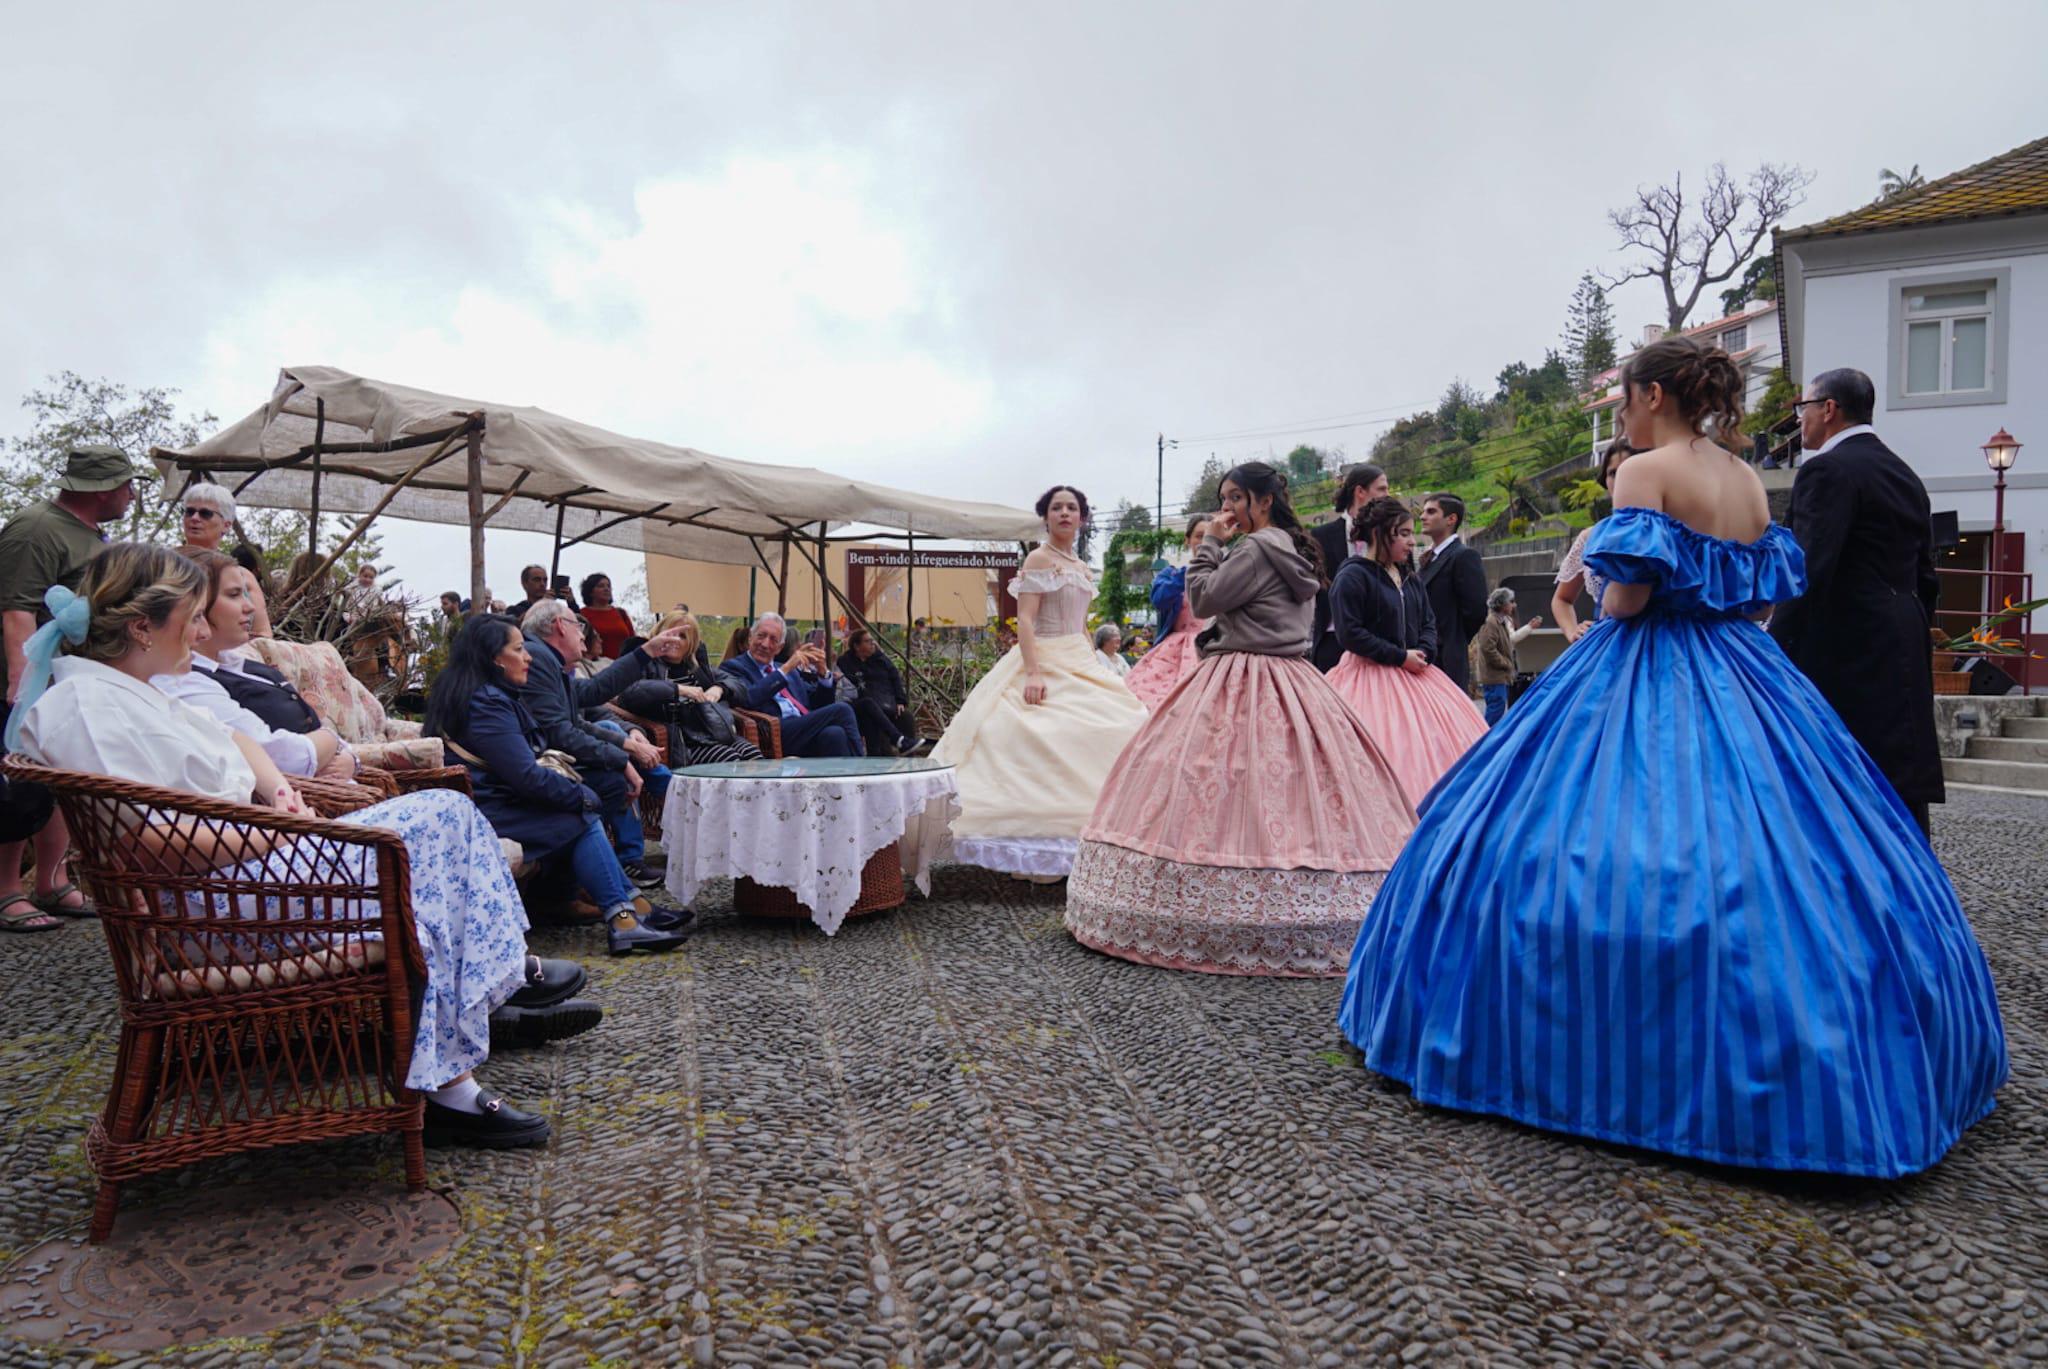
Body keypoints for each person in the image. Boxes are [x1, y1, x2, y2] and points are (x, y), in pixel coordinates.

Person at [1339, 335, 2007, 1178]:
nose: (1619, 409)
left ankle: (1573, 1048)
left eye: (1625, 395)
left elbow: (1627, 594)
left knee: (1560, 829)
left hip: (1646, 660)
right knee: (1783, 841)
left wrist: (1605, 608)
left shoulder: (1643, 471)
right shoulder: (1743, 479)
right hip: (1745, 666)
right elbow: (1763, 595)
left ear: (1655, 396)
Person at [11, 545, 607, 1148]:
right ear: (141, 626)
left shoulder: (139, 689)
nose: (199, 629)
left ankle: (480, 1009)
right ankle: (476, 1025)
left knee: (445, 820)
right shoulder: (87, 707)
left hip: (259, 868)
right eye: (191, 615)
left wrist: (276, 792)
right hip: (211, 907)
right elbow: (144, 840)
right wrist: (282, 834)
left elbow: (235, 743)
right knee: (440, 819)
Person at [1066, 462, 1414, 975]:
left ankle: (1218, 912)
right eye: (1223, 499)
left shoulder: (1254, 549)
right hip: (1295, 677)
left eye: (1234, 499)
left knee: (1214, 780)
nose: (1226, 508)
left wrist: (1208, 543)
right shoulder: (1297, 548)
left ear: (1262, 500)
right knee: (1297, 786)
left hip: (1242, 671)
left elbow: (1203, 598)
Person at [426, 613, 687, 955]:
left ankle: (628, 914)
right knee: (580, 813)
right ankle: (625, 915)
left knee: (581, 810)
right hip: (483, 810)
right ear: (494, 658)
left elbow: (586, 700)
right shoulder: (487, 704)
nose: (528, 657)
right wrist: (581, 795)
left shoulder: (490, 695)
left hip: (491, 801)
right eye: (519, 649)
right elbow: (526, 775)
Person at [929, 485, 1148, 877]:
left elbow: (1081, 624)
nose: (1065, 513)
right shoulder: (1038, 557)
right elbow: (1026, 620)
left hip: (1079, 659)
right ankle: (1033, 840)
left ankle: (1097, 834)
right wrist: (1033, 672)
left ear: (1083, 518)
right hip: (1042, 656)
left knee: (1125, 723)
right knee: (1028, 731)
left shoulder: (1080, 566)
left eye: (1072, 508)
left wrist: (1097, 664)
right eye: (1056, 507)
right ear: (1045, 516)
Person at [1770, 368, 1945, 834]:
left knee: (1843, 779)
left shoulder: (1827, 469)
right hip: (1902, 638)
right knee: (1897, 779)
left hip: (1846, 646)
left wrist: (1773, 649)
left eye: (1802, 408)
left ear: (1828, 409)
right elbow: (1926, 576)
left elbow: (1807, 570)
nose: (1799, 420)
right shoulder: (1903, 472)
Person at [0, 443, 150, 931]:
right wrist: (22, 689)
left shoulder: (87, 533)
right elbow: (16, 609)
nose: (131, 493)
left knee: (63, 777)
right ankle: (4, 892)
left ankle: (52, 881)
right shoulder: (36, 529)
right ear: (104, 487)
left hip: (68, 675)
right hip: (29, 677)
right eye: (128, 484)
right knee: (17, 784)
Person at [1324, 496, 1488, 807]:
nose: (1412, 541)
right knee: (1388, 749)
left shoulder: (1410, 577)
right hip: (1367, 678)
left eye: (1411, 533)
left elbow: (1428, 620)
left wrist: (1423, 650)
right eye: (1402, 533)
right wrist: (1399, 656)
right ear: (1378, 534)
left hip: (1418, 675)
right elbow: (1351, 633)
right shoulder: (1352, 576)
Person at [151, 551, 358, 780]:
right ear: (193, 606)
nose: (249, 607)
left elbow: (340, 749)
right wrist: (329, 736)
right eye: (233, 595)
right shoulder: (185, 680)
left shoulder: (242, 664)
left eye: (247, 594)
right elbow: (280, 757)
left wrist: (350, 759)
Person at [520, 599, 680, 886]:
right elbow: (561, 732)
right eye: (578, 625)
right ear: (559, 626)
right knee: (612, 783)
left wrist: (645, 653)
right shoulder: (538, 658)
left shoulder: (547, 660)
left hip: (552, 757)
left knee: (613, 768)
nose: (583, 634)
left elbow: (592, 694)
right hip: (533, 770)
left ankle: (596, 874)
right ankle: (562, 884)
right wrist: (623, 757)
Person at [618, 611, 765, 766]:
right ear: (658, 634)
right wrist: (677, 689)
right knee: (730, 761)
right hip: (682, 743)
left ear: (691, 643)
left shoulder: (696, 667)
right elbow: (629, 693)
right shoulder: (646, 663)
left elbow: (739, 685)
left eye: (682, 636)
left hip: (713, 733)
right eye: (670, 633)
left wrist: (719, 688)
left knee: (755, 758)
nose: (675, 640)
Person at [716, 614, 865, 758]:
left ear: (780, 648)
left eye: (773, 639)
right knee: (843, 709)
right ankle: (861, 771)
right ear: (750, 638)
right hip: (773, 732)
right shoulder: (734, 667)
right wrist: (785, 669)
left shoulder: (789, 672)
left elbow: (818, 704)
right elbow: (748, 698)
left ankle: (837, 783)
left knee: (834, 733)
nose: (765, 644)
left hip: (802, 730)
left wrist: (823, 673)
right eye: (761, 636)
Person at [1551, 439, 1638, 643]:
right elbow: (1561, 599)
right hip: (1603, 648)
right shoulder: (1590, 537)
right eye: (1612, 473)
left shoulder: (1664, 530)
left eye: (1628, 469)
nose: (1620, 479)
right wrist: (1572, 630)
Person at [1123, 519, 1212, 711]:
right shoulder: (1171, 575)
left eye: (1210, 536)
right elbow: (1159, 600)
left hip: (1214, 649)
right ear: (1187, 540)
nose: (1204, 542)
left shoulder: (1227, 576)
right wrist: (1188, 574)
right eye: (1199, 536)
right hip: (1175, 650)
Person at [1309, 465, 1390, 671]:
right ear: (1360, 492)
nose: (1387, 495)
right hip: (1333, 640)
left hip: (1382, 642)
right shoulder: (1321, 536)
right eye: (1381, 489)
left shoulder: (1390, 536)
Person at [175, 481, 274, 637]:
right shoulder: (163, 566)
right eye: (189, 511)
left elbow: (263, 633)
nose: (194, 518)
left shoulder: (242, 576)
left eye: (205, 514)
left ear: (226, 525)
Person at [1416, 492, 1487, 695]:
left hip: (1447, 657)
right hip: (1425, 654)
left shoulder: (1463, 556)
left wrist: (1452, 638)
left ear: (1451, 519)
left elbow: (1476, 610)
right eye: (1423, 511)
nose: (1422, 516)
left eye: (1431, 511)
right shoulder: (1429, 559)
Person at [836, 626, 926, 757]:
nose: (872, 643)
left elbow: (895, 677)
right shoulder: (846, 661)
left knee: (906, 717)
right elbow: (854, 684)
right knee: (872, 719)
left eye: (872, 640)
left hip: (886, 703)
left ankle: (907, 749)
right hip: (865, 709)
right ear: (856, 646)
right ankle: (893, 747)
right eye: (867, 641)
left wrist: (900, 700)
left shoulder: (880, 660)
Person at [1473, 587, 1541, 727]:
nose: (1514, 605)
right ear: (1502, 604)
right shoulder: (1491, 623)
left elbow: (1508, 640)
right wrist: (1506, 663)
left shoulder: (1501, 621)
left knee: (1497, 710)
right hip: (1494, 676)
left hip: (1499, 675)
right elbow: (1488, 649)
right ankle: (1483, 740)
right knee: (1495, 712)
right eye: (1511, 602)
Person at [578, 573, 636, 661]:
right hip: (596, 668)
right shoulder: (582, 614)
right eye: (601, 586)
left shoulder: (621, 613)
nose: (606, 589)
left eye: (608, 586)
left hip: (625, 666)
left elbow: (633, 641)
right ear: (590, 591)